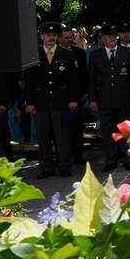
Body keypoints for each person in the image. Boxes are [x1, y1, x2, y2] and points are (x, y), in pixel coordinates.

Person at [24, 22, 80, 178]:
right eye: (48, 35)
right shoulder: (33, 55)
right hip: (40, 101)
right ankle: (46, 167)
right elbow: (29, 81)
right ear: (41, 36)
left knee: (62, 136)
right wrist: (29, 102)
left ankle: (64, 166)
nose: (51, 38)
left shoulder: (67, 54)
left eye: (54, 35)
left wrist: (73, 99)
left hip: (60, 101)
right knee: (44, 136)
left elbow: (73, 80)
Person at [88, 24, 130, 172]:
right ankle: (111, 159)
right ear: (102, 38)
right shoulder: (95, 55)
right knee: (107, 130)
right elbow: (91, 79)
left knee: (125, 130)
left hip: (123, 99)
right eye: (108, 36)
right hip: (104, 100)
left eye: (113, 36)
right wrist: (92, 99)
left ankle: (127, 158)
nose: (112, 39)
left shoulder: (127, 52)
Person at [58, 24, 88, 164]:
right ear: (59, 38)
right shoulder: (54, 53)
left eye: (71, 37)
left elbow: (83, 75)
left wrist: (83, 93)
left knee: (76, 127)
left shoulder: (79, 52)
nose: (69, 40)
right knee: (61, 129)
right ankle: (63, 156)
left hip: (76, 95)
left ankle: (78, 155)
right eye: (66, 38)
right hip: (58, 96)